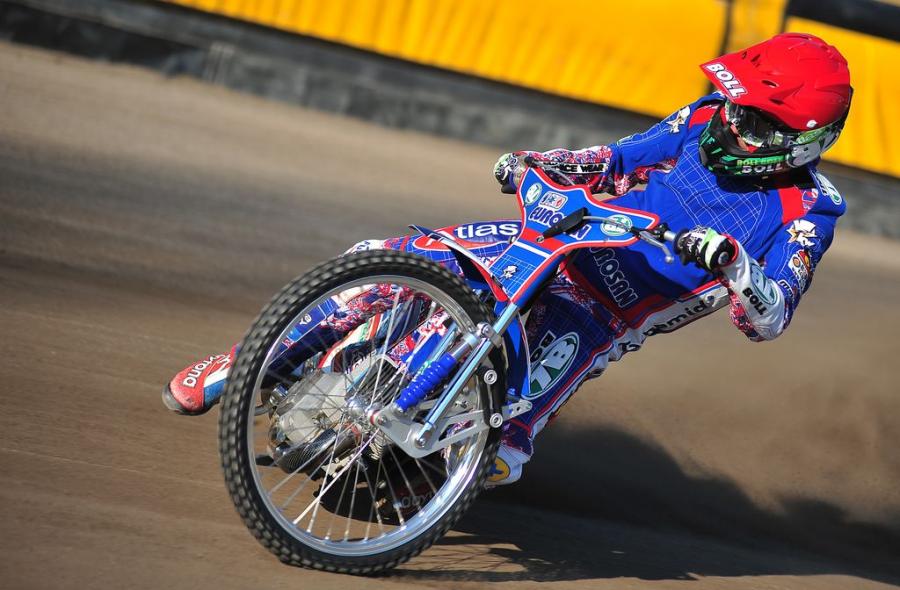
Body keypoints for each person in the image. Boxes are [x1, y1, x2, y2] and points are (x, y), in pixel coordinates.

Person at [162, 33, 851, 486]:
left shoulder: (810, 211)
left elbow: (770, 319)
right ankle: (248, 360)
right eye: (731, 105)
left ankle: (430, 484)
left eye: (749, 119)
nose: (728, 121)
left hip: (604, 311)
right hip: (561, 235)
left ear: (802, 137)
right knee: (386, 260)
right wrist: (540, 163)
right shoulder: (702, 118)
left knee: (507, 448)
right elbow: (614, 160)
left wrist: (735, 267)